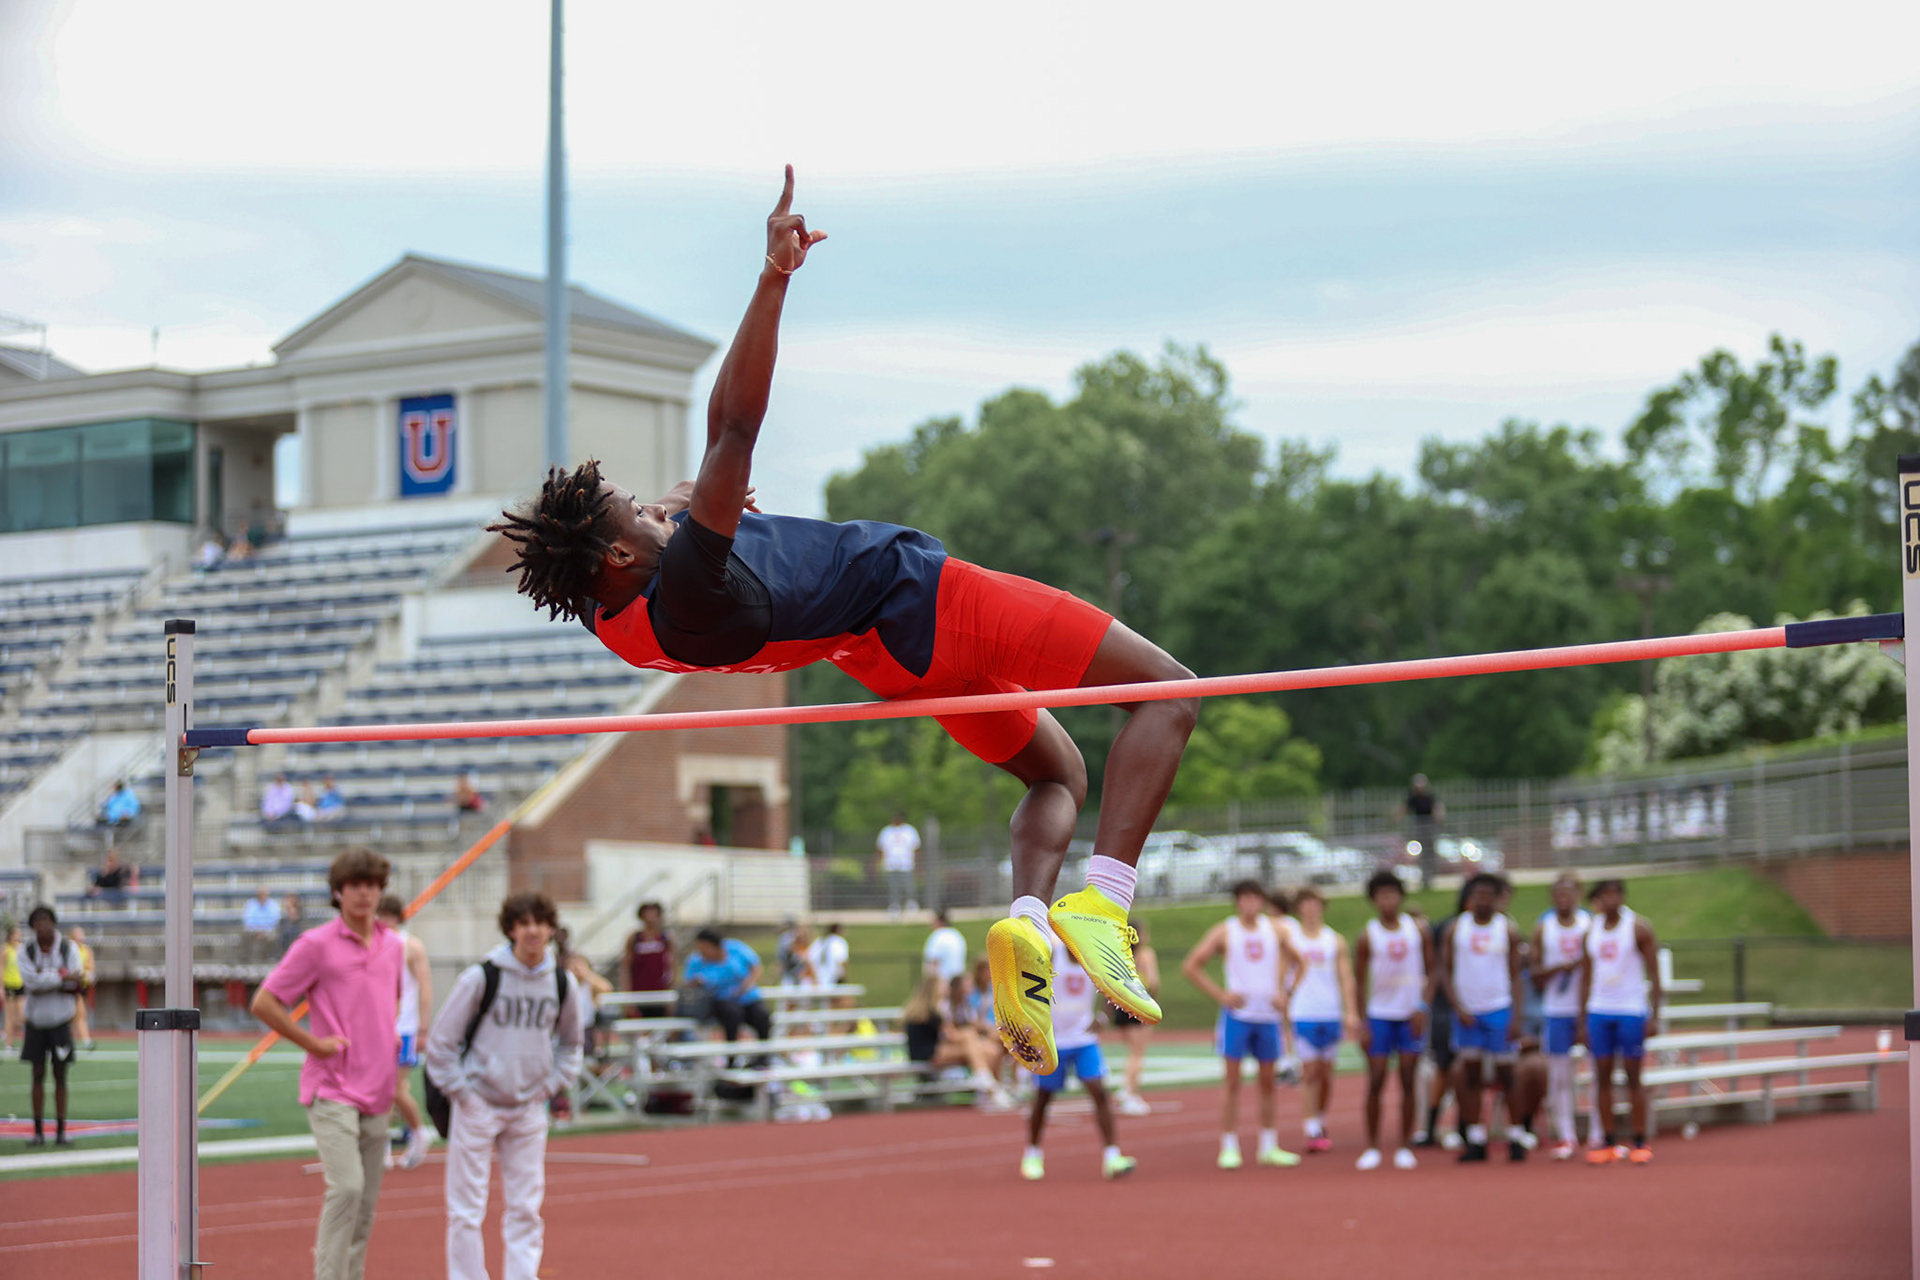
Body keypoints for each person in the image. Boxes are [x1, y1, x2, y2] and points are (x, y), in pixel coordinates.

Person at [486, 167, 1195, 1078]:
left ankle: (1027, 925)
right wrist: (774, 278)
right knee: (1169, 696)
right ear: (618, 555)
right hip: (926, 602)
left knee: (1057, 771)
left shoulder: (614, 610)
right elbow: (731, 426)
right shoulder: (689, 576)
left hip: (888, 663)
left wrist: (673, 505)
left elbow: (657, 516)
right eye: (635, 512)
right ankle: (1104, 902)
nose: (654, 509)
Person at [251, 848, 405, 1280]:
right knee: (347, 1188)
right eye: (356, 885)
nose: (365, 894)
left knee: (365, 1207)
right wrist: (313, 1044)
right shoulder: (315, 945)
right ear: (338, 892)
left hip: (379, 1089)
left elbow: (388, 1005)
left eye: (373, 886)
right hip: (332, 1088)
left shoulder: (393, 946)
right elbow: (264, 1002)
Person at [425, 891, 586, 1280]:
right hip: (478, 1104)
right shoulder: (481, 977)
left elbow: (572, 1044)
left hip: (528, 1107)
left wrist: (548, 1088)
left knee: (527, 1207)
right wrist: (464, 1094)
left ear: (551, 929)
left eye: (539, 922)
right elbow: (440, 1044)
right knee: (465, 1209)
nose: (532, 930)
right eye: (523, 923)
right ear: (510, 929)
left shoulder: (563, 983)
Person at [1182, 880, 1302, 1170]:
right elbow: (1192, 965)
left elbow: (1301, 961)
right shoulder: (1225, 931)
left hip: (1268, 1017)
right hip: (1237, 1017)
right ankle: (1229, 1146)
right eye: (1244, 898)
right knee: (1232, 1082)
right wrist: (1221, 995)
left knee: (1268, 1083)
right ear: (1237, 902)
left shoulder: (1276, 930)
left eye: (1254, 897)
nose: (1249, 903)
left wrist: (1286, 994)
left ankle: (1269, 1146)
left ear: (1261, 901)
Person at [1020, 940, 1136, 1181]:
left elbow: (1113, 986)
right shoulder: (1054, 956)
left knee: (1099, 1091)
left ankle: (1112, 1156)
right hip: (1053, 1041)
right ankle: (1032, 1153)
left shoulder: (1092, 958)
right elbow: (1028, 981)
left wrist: (1103, 1017)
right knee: (1043, 1097)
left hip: (1083, 1038)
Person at [1437, 872, 1524, 1163]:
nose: (1483, 901)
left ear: (1497, 899)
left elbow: (1516, 975)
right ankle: (1476, 1138)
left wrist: (1517, 1016)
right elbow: (1444, 971)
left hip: (1499, 1009)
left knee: (1507, 1075)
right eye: (1478, 895)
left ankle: (1515, 1136)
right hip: (1468, 1014)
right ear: (1469, 899)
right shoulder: (1456, 929)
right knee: (1470, 1075)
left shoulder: (1507, 929)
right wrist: (1457, 1006)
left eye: (1489, 895)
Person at [1353, 870, 1434, 1170]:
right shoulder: (1368, 935)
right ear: (1374, 901)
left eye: (1392, 894)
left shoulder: (1417, 930)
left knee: (1408, 1079)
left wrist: (1421, 1006)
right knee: (1375, 1080)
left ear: (1400, 897)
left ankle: (1404, 1145)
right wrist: (1363, 1022)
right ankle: (1372, 1146)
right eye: (1381, 896)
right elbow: (1359, 981)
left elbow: (1433, 970)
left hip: (1409, 1015)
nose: (1387, 900)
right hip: (1380, 1016)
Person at [1580, 878, 1662, 1166]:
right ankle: (1608, 1141)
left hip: (1630, 1009)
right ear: (1597, 899)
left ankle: (1640, 1140)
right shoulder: (1591, 930)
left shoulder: (1638, 927)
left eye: (1615, 894)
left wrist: (1655, 1013)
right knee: (1601, 1076)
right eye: (1604, 895)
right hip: (1599, 1009)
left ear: (1622, 896)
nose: (1610, 899)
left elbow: (1654, 973)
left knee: (1633, 1076)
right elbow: (1586, 976)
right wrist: (1582, 1019)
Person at [1279, 886, 1361, 1154]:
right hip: (1303, 1011)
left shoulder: (1333, 940)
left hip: (1330, 1011)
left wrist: (1351, 1012)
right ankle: (1311, 1125)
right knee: (1310, 1071)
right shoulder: (1291, 940)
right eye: (1305, 903)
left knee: (1326, 1073)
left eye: (1315, 903)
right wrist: (1283, 1002)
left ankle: (1321, 1118)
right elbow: (1281, 974)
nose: (1310, 908)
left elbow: (1346, 977)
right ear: (1299, 908)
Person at [1532, 872, 1591, 1160]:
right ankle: (1566, 1136)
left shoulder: (1589, 925)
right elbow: (1535, 973)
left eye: (1570, 893)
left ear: (1578, 894)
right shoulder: (1545, 928)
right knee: (1559, 1077)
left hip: (1588, 1010)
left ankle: (1598, 1134)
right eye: (1559, 894)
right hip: (1556, 1011)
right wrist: (1559, 968)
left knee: (1596, 1073)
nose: (1564, 899)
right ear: (1552, 897)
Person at [374, 896, 434, 1171]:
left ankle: (420, 1132)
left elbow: (425, 987)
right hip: (376, 1027)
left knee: (394, 1089)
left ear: (399, 917)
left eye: (389, 915)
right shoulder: (371, 944)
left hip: (405, 1028)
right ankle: (382, 1146)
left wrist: (423, 1027)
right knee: (378, 1089)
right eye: (381, 915)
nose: (384, 921)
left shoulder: (410, 946)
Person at [19, 904, 85, 1146]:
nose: (43, 924)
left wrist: (46, 977)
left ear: (54, 922)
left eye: (47, 919)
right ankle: (37, 1131)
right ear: (32, 925)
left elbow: (76, 977)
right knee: (36, 1074)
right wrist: (60, 976)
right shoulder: (26, 950)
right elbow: (31, 982)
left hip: (60, 1021)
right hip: (36, 1021)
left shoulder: (68, 947)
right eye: (38, 920)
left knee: (61, 1074)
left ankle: (60, 1131)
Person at [901, 973, 1012, 1105]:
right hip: (929, 1055)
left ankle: (988, 1086)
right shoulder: (932, 1011)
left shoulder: (921, 1010)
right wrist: (970, 1035)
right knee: (971, 1039)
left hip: (927, 1051)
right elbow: (950, 1035)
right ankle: (987, 1085)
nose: (945, 990)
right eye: (942, 987)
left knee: (992, 1051)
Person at [682, 928, 772, 1049]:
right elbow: (687, 981)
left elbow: (756, 967)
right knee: (732, 1014)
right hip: (720, 999)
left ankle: (763, 1055)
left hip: (746, 997)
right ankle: (731, 1056)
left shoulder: (736, 949)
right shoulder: (696, 960)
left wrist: (744, 987)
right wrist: (697, 982)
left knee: (761, 1014)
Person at [1109, 917, 1159, 1117]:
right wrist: (1153, 1002)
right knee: (1138, 1054)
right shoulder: (1146, 954)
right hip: (1140, 1003)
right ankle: (1131, 1094)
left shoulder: (1120, 953)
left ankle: (1124, 1088)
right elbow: (1153, 981)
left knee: (1131, 1052)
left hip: (1122, 1003)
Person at [620, 902, 675, 1015]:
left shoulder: (666, 938)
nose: (651, 918)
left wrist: (672, 994)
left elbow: (672, 966)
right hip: (639, 992)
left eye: (654, 914)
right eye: (647, 914)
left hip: (660, 993)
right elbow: (626, 967)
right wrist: (627, 996)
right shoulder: (634, 938)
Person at [1400, 774, 1445, 890]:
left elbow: (1438, 809)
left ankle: (1430, 877)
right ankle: (1424, 878)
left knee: (1430, 853)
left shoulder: (1430, 797)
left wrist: (1438, 817)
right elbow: (1405, 808)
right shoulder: (1413, 798)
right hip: (1419, 827)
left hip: (1429, 826)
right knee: (1422, 854)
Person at [876, 811, 921, 917]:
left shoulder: (909, 830)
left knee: (908, 885)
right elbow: (880, 847)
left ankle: (911, 903)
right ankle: (895, 904)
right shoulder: (886, 831)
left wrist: (917, 862)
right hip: (891, 863)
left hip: (906, 862)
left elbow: (916, 847)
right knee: (893, 886)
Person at [67, 924, 96, 1050]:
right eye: (79, 935)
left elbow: (90, 967)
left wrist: (87, 974)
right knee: (75, 1014)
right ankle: (84, 1040)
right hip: (70, 986)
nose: (81, 937)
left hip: (81, 985)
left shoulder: (86, 950)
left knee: (80, 1014)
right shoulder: (68, 949)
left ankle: (85, 1040)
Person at [923, 909, 967, 983]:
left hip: (942, 983)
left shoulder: (937, 936)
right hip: (958, 982)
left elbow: (932, 963)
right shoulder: (957, 935)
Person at [242, 885, 282, 964]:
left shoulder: (273, 905)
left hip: (267, 930)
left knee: (273, 937)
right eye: (261, 894)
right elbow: (248, 920)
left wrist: (263, 930)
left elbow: (274, 920)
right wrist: (256, 930)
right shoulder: (251, 904)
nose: (263, 896)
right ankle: (246, 960)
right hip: (253, 930)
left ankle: (269, 959)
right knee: (245, 934)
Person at [806, 922, 849, 989]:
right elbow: (841, 960)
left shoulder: (820, 941)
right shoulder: (839, 942)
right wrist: (843, 976)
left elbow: (810, 958)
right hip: (832, 977)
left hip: (817, 976)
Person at [4, 924, 24, 1051]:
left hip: (21, 985)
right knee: (10, 1016)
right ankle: (8, 1044)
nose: (18, 937)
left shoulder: (21, 950)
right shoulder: (6, 950)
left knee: (23, 1015)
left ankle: (22, 1040)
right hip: (9, 985)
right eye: (16, 934)